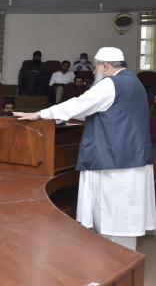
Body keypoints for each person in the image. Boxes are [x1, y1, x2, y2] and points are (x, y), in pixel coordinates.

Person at [15, 47, 156, 251]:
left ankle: (114, 269)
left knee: (113, 219)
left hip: (114, 163)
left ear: (105, 66)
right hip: (132, 159)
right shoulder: (134, 82)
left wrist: (40, 114)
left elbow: (81, 104)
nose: (93, 71)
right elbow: (100, 109)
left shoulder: (110, 84)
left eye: (96, 66)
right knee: (125, 219)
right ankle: (123, 266)